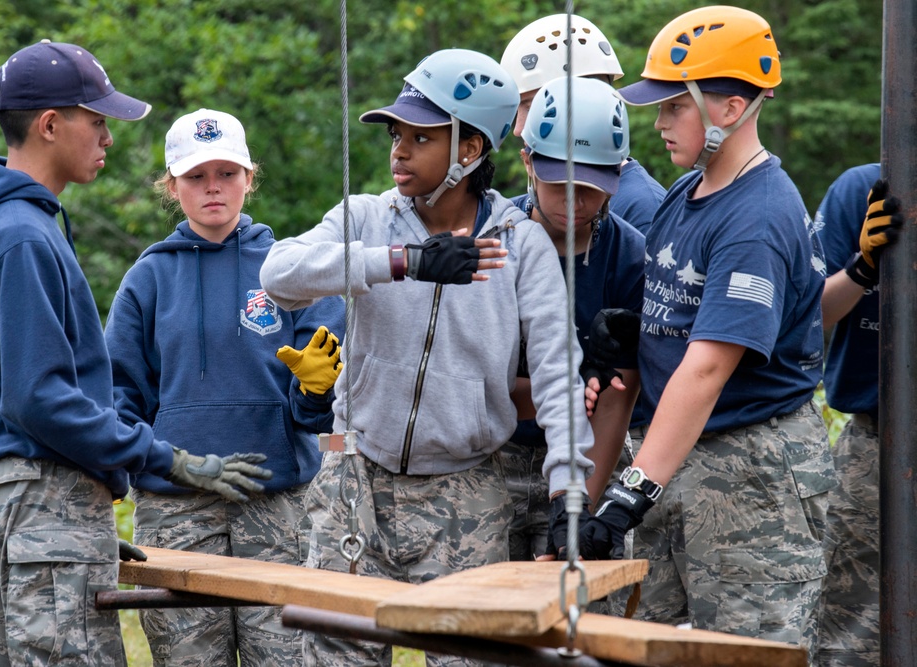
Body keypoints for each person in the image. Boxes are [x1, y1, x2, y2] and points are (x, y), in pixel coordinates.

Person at [0, 41, 270, 665]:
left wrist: (81, 522)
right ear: (51, 125)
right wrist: (166, 459)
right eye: (98, 119)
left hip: (28, 501)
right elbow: (39, 398)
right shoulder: (20, 237)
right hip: (40, 496)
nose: (108, 137)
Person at [260, 48, 596, 666]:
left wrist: (568, 494)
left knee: (468, 656)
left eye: (421, 136)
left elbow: (556, 373)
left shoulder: (519, 246)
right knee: (335, 652)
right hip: (355, 476)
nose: (399, 151)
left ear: (470, 150)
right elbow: (279, 273)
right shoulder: (365, 216)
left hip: (467, 492)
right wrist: (401, 263)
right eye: (396, 135)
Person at [579, 6, 834, 659]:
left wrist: (631, 490)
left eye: (674, 107)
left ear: (729, 108)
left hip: (750, 471)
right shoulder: (685, 192)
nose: (658, 122)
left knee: (743, 650)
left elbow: (707, 369)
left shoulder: (757, 215)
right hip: (673, 454)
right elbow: (691, 328)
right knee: (635, 644)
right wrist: (642, 331)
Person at [104, 108, 345, 667]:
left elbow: (321, 408)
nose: (213, 187)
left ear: (248, 178)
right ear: (173, 186)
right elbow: (119, 397)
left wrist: (314, 391)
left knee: (285, 658)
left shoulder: (291, 269)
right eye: (196, 176)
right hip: (176, 506)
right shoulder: (147, 278)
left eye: (227, 173)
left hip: (278, 500)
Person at [499, 76, 644, 561]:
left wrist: (579, 511)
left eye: (591, 188)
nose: (574, 202)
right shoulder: (494, 242)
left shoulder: (628, 257)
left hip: (591, 455)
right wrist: (558, 396)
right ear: (527, 163)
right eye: (558, 184)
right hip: (491, 456)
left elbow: (617, 401)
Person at [814, 165, 902, 667]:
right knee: (846, 634)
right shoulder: (862, 191)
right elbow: (811, 316)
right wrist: (862, 265)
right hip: (873, 444)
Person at [500, 13, 666, 234]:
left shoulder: (641, 209)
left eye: (532, 107)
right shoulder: (516, 210)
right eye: (516, 110)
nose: (518, 129)